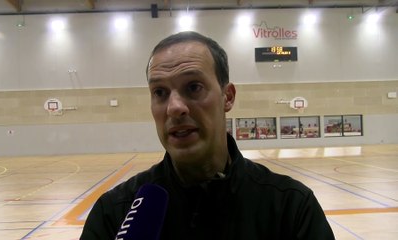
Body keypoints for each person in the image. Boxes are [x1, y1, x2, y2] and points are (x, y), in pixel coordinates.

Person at [80, 31, 335, 240]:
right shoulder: (114, 214)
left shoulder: (290, 208)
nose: (174, 107)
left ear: (228, 97)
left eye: (193, 87)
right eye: (159, 92)